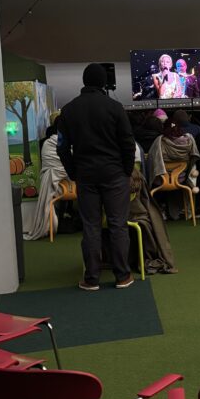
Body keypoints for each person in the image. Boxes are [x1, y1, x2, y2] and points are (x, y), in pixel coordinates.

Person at [57, 63, 136, 290]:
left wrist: (74, 172)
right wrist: (126, 170)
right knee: (117, 225)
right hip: (115, 174)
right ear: (103, 83)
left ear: (84, 81)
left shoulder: (68, 110)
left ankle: (91, 278)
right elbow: (128, 143)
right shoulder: (115, 107)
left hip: (86, 175)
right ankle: (122, 276)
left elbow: (62, 147)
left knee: (91, 226)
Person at [148, 120, 200, 220]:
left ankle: (160, 211)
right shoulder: (189, 140)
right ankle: (181, 210)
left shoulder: (160, 141)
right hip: (181, 179)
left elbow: (152, 161)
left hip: (161, 180)